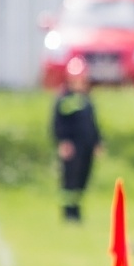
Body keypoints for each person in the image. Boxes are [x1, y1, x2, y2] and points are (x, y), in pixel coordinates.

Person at [52, 57, 103, 223]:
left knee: (82, 178)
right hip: (72, 147)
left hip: (86, 146)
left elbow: (92, 124)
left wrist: (97, 142)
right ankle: (69, 213)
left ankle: (77, 211)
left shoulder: (87, 99)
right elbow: (58, 124)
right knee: (70, 180)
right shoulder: (64, 99)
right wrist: (63, 142)